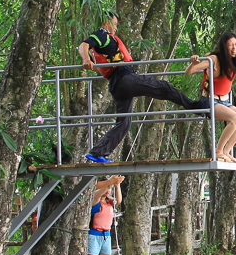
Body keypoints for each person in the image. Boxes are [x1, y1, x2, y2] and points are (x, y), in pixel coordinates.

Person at [79, 12, 202, 163]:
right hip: (125, 80)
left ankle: (98, 152)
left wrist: (90, 63)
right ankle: (195, 106)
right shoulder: (102, 34)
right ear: (106, 22)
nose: (115, 28)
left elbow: (99, 67)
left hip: (117, 86)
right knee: (163, 87)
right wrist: (85, 59)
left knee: (124, 123)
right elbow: (83, 45)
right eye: (114, 24)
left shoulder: (102, 45)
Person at [185, 33, 236, 163]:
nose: (234, 48)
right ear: (224, 46)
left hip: (225, 101)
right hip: (209, 100)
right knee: (235, 119)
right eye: (231, 45)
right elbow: (189, 72)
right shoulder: (214, 58)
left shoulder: (233, 60)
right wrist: (193, 63)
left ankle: (227, 151)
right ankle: (218, 151)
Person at [85, 175, 124, 255]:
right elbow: (97, 193)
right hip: (94, 235)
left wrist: (116, 185)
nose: (108, 191)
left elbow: (119, 200)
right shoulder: (96, 201)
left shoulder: (110, 202)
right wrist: (109, 183)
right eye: (107, 188)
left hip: (106, 236)